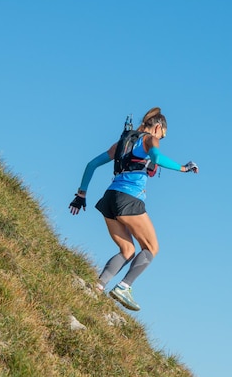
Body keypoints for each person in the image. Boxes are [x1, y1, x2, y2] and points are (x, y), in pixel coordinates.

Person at [69, 107, 198, 311]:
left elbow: (91, 164)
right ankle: (124, 287)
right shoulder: (149, 139)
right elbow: (155, 157)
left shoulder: (122, 143)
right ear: (157, 128)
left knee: (128, 250)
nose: (160, 140)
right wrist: (184, 168)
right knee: (151, 248)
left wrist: (81, 194)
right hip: (129, 198)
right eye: (162, 136)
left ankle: (97, 287)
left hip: (109, 198)